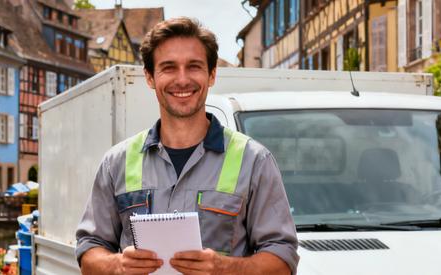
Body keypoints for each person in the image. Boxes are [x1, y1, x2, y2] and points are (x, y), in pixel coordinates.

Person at [76, 17, 298, 275]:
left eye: (194, 66)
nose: (182, 80)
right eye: (168, 67)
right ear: (149, 77)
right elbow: (88, 251)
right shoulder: (117, 162)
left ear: (211, 74)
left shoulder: (254, 161)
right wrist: (117, 265)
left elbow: (283, 260)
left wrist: (225, 268)